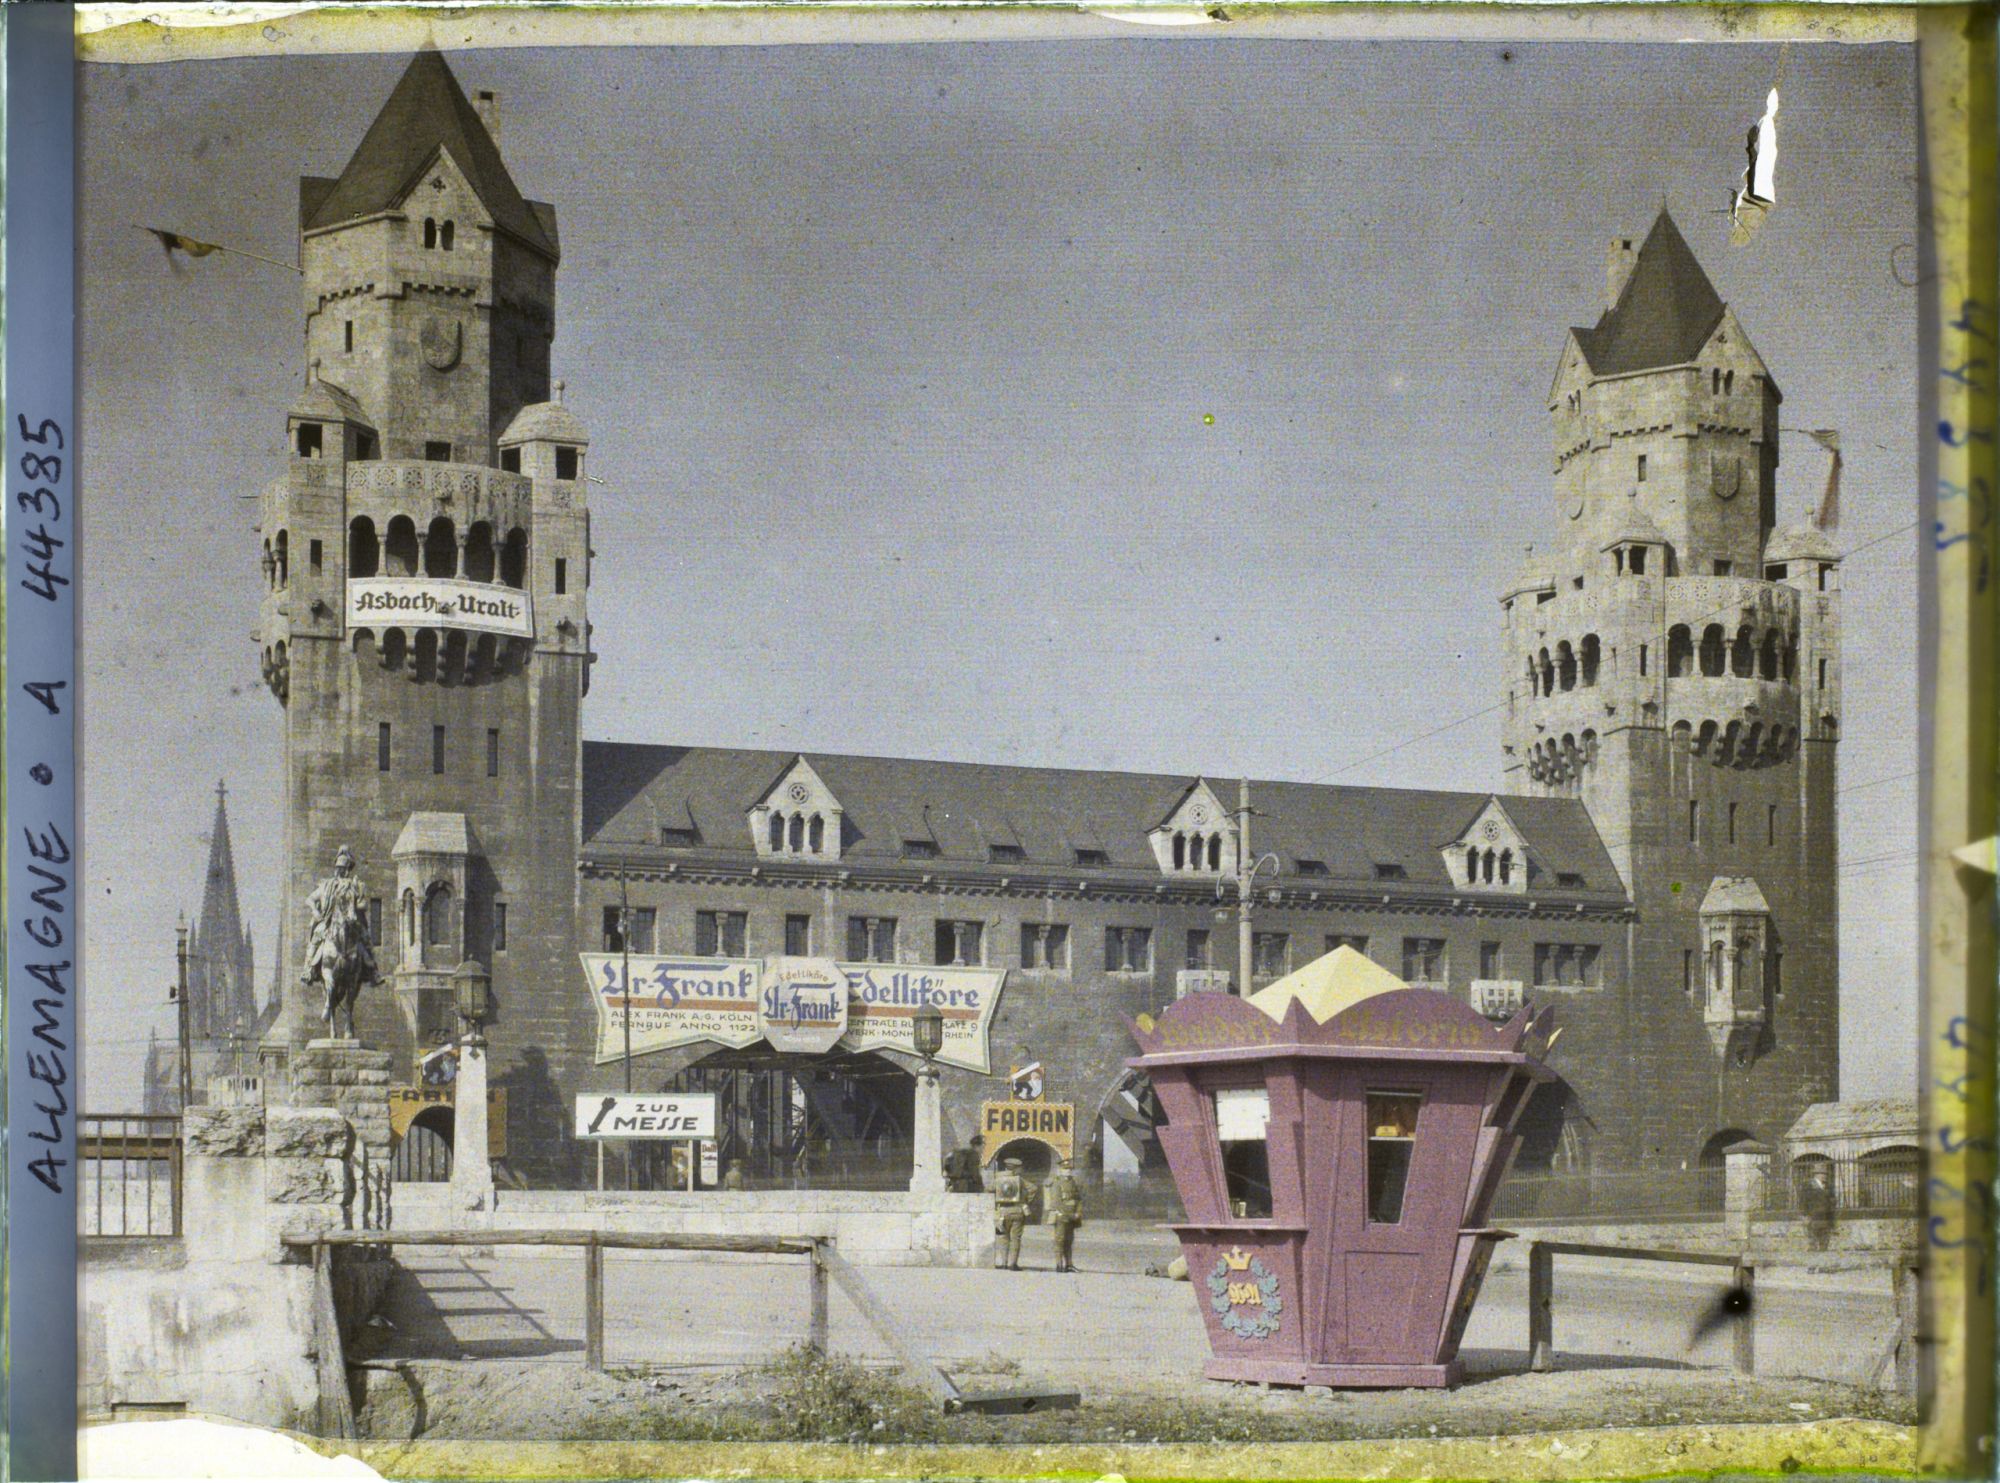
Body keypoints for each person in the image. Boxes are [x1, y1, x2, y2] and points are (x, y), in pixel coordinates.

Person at [992, 1156, 1034, 1270]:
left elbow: (988, 1189)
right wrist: (1024, 1200)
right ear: (1015, 1169)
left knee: (1003, 1237)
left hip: (1003, 1211)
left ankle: (1004, 1263)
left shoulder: (997, 1178)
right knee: (1016, 1238)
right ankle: (1013, 1264)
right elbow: (1033, 1188)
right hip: (1017, 1211)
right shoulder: (1019, 1179)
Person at [1047, 1158, 1084, 1273]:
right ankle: (1059, 1264)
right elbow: (1056, 1202)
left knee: (1069, 1240)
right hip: (1062, 1215)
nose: (1067, 1171)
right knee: (1060, 1240)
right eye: (1065, 1169)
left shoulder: (1073, 1183)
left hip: (1072, 1216)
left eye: (1069, 1169)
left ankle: (1069, 1264)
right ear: (1060, 1170)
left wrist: (1078, 1212)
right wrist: (1067, 1214)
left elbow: (1078, 1199)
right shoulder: (1057, 1183)